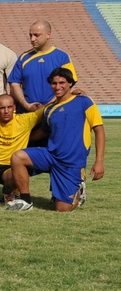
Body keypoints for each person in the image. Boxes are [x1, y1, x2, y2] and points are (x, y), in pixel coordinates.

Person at [6, 68, 105, 212]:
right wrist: (16, 138)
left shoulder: (84, 101)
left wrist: (99, 161)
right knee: (18, 157)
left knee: (62, 209)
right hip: (51, 156)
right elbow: (42, 133)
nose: (57, 87)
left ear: (70, 83)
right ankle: (25, 200)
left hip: (71, 163)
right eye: (54, 83)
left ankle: (79, 190)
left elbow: (99, 130)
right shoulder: (49, 109)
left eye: (62, 82)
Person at [8, 21, 76, 113]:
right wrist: (27, 105)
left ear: (48, 34)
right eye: (30, 35)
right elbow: (14, 84)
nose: (32, 39)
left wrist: (47, 107)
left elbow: (67, 84)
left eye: (36, 35)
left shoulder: (62, 57)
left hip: (54, 111)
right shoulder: (23, 57)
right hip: (27, 113)